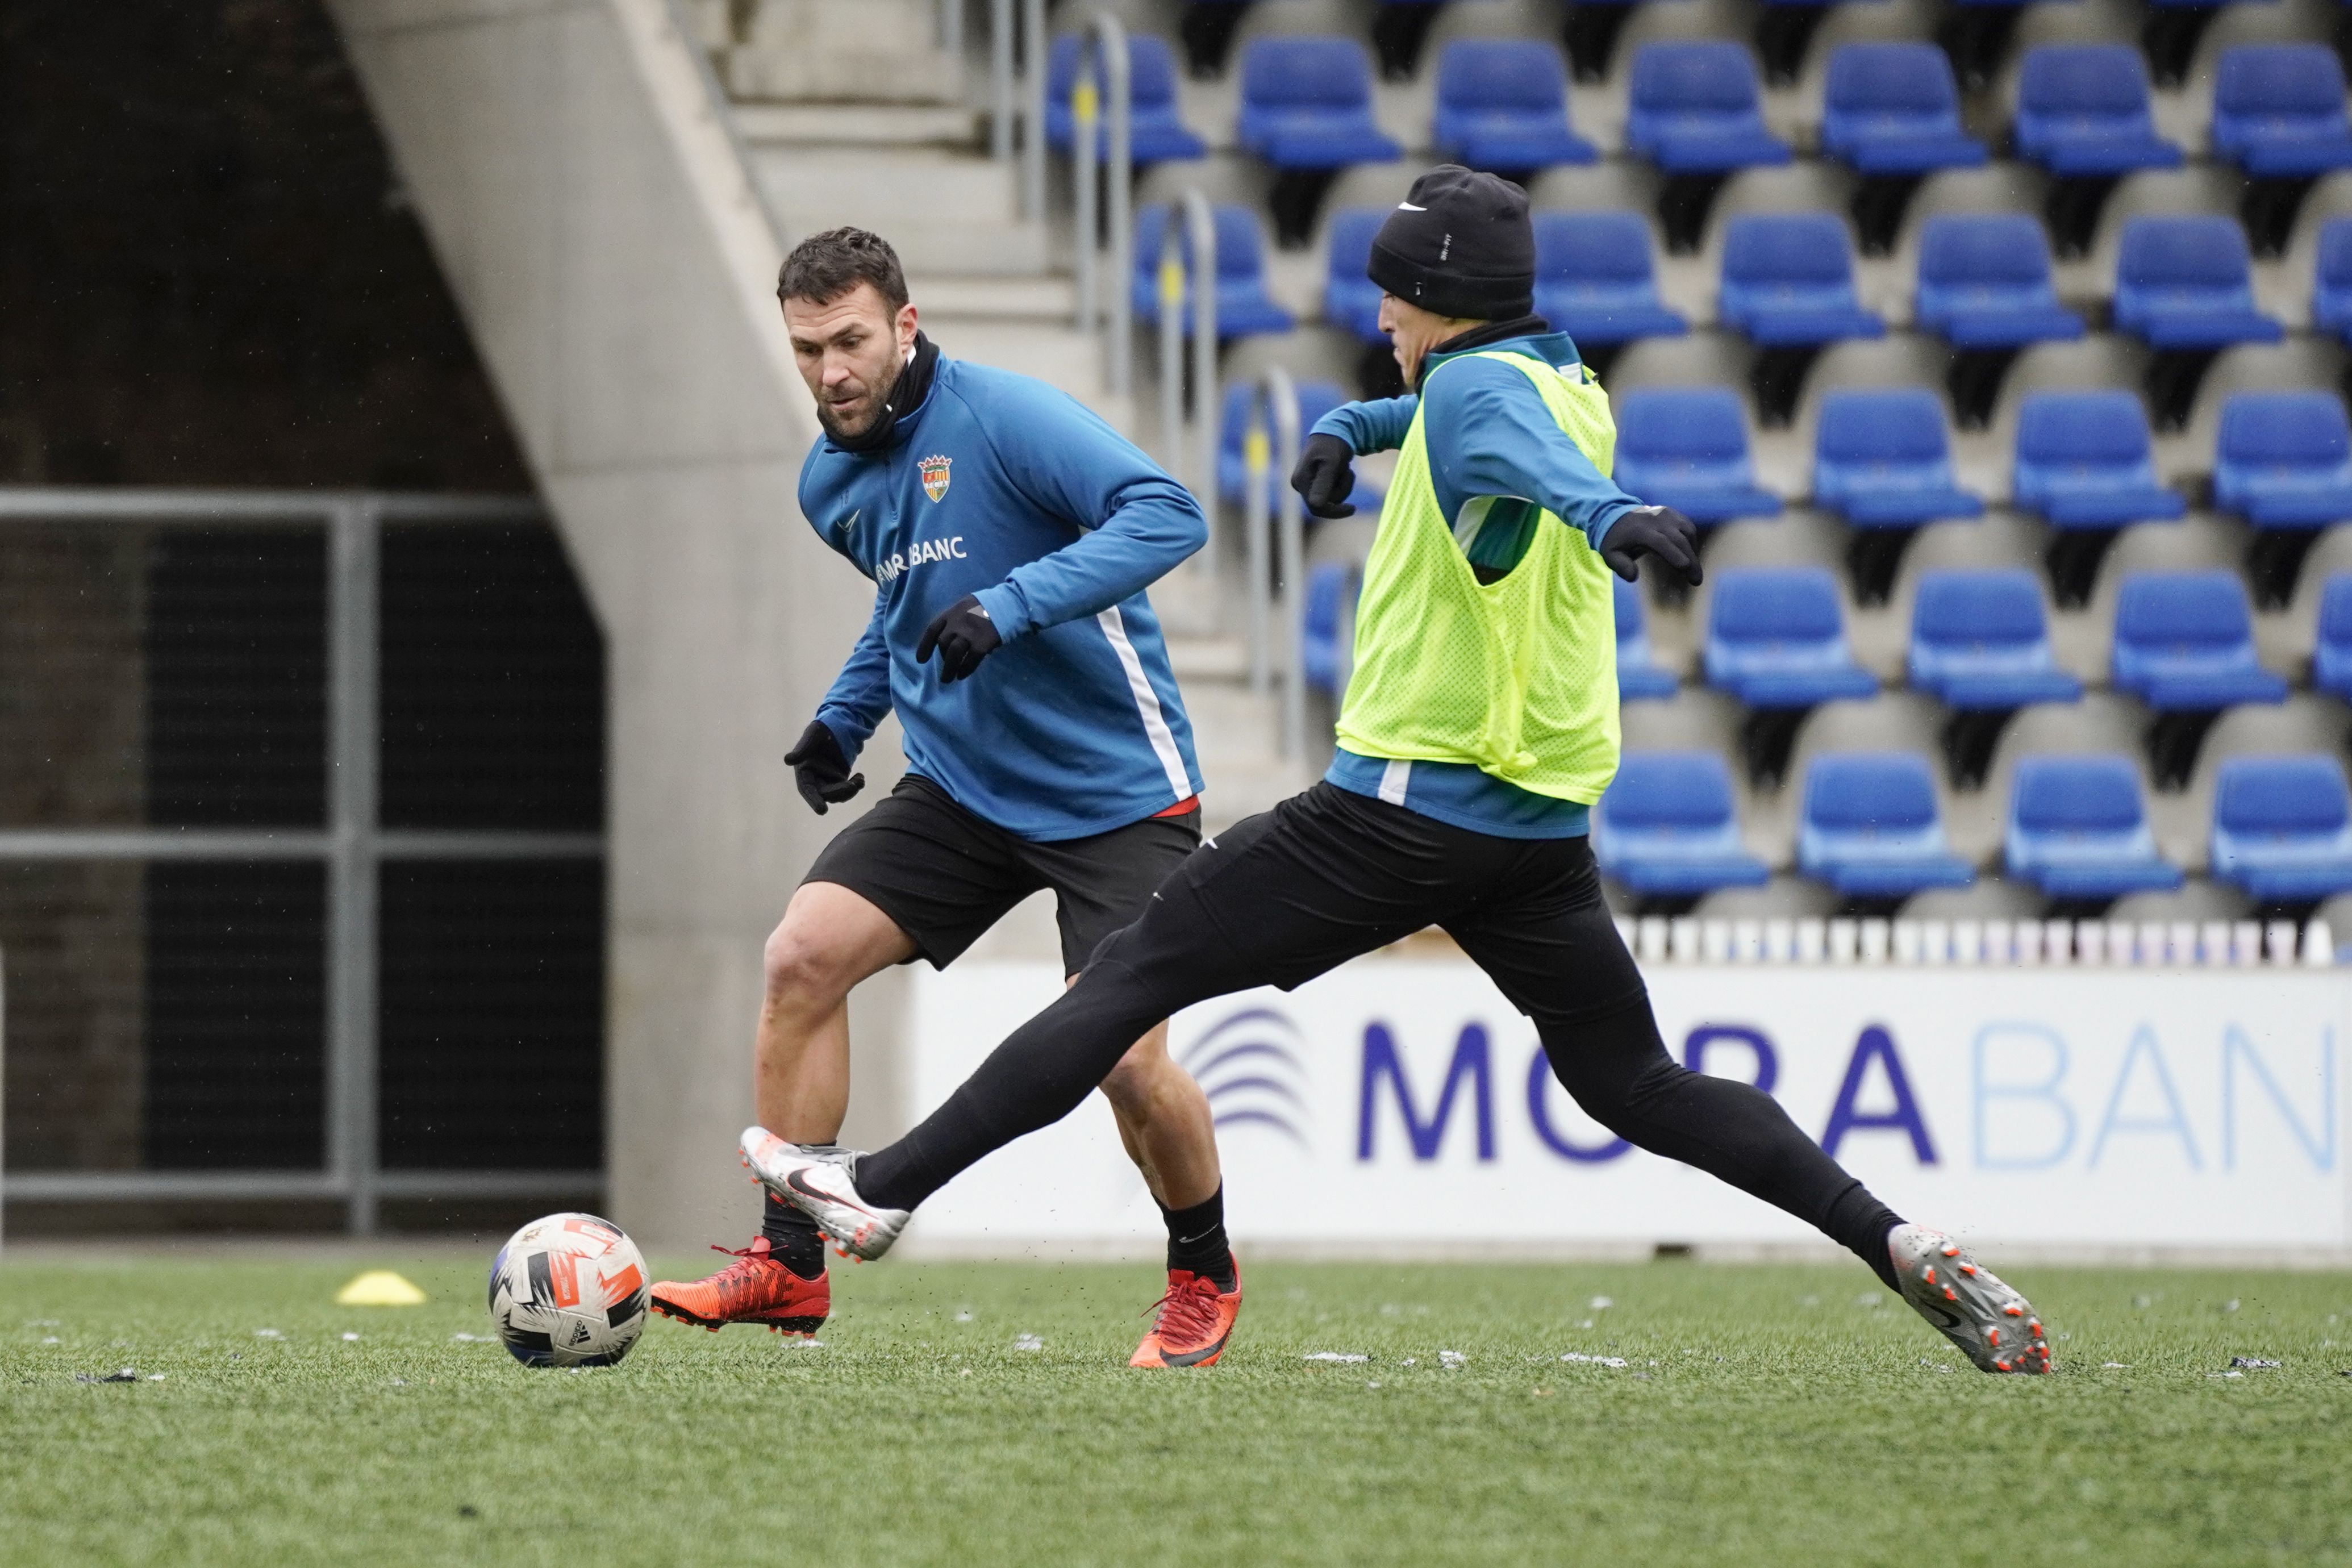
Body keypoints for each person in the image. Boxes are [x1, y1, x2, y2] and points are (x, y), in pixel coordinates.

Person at [740, 170, 2049, 1376]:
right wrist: (1350, 426)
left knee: (1130, 973)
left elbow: (1516, 457)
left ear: (1439, 299)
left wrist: (1614, 517)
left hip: (1398, 812)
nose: (1380, 315)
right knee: (1637, 1083)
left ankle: (884, 1187)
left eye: (1394, 297)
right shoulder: (1561, 379)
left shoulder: (1482, 404)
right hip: (1534, 833)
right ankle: (1888, 1235)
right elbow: (1475, 420)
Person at [651, 228, 1244, 1370]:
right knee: (801, 958)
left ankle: (1201, 1274)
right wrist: (844, 718)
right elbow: (905, 598)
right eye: (809, 350)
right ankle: (789, 1261)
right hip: (962, 791)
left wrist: (1011, 606)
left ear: (906, 325)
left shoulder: (1005, 417)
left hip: (1118, 794)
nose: (832, 372)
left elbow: (1169, 513)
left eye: (851, 342)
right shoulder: (828, 481)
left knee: (1126, 1061)